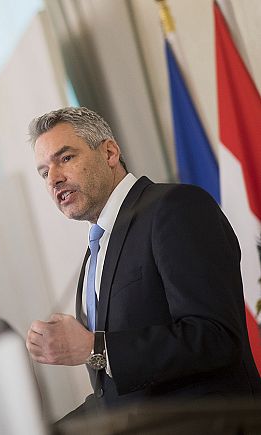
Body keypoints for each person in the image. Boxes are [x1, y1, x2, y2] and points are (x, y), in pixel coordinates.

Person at [24, 107, 261, 416]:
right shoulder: (95, 252)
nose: (54, 179)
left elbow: (215, 337)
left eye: (65, 158)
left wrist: (92, 347)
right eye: (44, 172)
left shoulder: (175, 209)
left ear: (109, 152)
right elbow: (117, 391)